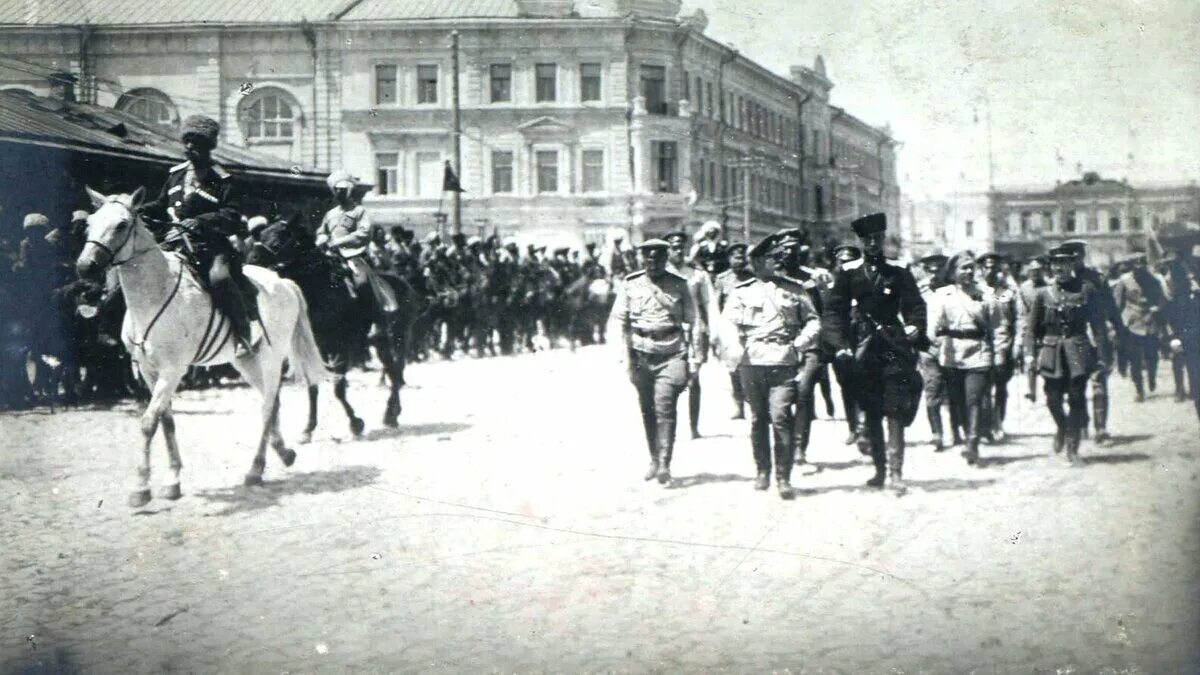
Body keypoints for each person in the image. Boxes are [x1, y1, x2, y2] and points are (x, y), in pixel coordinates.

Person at [824, 214, 926, 489]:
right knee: (871, 411)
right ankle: (880, 470)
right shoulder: (848, 272)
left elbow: (915, 304)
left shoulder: (899, 270)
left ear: (883, 240)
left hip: (893, 346)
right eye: (866, 239)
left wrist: (915, 326)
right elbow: (834, 311)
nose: (872, 243)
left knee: (894, 408)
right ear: (860, 241)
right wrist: (841, 344)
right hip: (862, 348)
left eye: (877, 238)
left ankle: (896, 472)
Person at [140, 114, 256, 355]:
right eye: (188, 142)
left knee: (219, 279)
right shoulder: (175, 174)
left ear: (208, 147)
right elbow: (162, 204)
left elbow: (232, 215)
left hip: (211, 247)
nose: (190, 147)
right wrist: (133, 209)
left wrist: (201, 221)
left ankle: (243, 335)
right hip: (173, 243)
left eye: (197, 143)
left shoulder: (223, 179)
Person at [722, 233, 820, 499]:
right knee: (757, 419)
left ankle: (783, 478)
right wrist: (734, 349)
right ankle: (762, 470)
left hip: (783, 361)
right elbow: (728, 324)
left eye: (777, 257)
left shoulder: (794, 289)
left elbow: (813, 321)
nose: (776, 262)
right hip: (751, 362)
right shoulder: (741, 292)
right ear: (756, 262)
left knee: (781, 418)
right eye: (769, 258)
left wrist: (799, 344)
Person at [607, 239, 701, 485]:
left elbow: (694, 321)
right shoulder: (631, 284)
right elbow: (618, 319)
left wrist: (695, 357)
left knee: (665, 406)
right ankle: (654, 458)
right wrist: (621, 353)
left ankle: (664, 463)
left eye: (658, 258)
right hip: (641, 353)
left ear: (665, 259)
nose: (652, 262)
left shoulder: (679, 285)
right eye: (647, 258)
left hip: (672, 351)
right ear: (641, 259)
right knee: (647, 408)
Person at [1023, 246, 1112, 462]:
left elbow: (1098, 326)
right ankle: (1062, 428)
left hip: (1077, 349)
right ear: (1050, 267)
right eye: (1055, 264)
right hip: (1052, 351)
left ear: (1072, 265)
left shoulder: (1086, 289)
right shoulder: (1043, 294)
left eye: (1064, 263)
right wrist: (1030, 354)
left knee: (1076, 398)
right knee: (1052, 399)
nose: (1059, 268)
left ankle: (1072, 448)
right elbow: (1032, 328)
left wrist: (1103, 356)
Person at [929, 253, 1009, 465]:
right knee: (958, 401)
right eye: (963, 268)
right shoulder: (941, 295)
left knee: (974, 398)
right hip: (952, 354)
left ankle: (972, 441)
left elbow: (999, 326)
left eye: (971, 267)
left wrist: (999, 353)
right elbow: (932, 326)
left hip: (979, 352)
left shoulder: (987, 294)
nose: (968, 272)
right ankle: (967, 435)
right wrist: (931, 344)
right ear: (952, 272)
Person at [1058, 240, 1123, 444]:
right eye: (1071, 256)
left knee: (1099, 383)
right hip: (1073, 341)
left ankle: (1101, 428)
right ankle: (1082, 423)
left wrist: (1118, 330)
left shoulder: (1096, 279)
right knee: (1075, 386)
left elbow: (1111, 308)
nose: (1076, 259)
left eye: (1079, 255)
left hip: (1097, 339)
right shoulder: (1060, 283)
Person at [316, 170, 399, 320]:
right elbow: (322, 231)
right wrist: (321, 238)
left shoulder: (358, 212)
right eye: (337, 190)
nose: (340, 193)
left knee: (362, 284)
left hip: (354, 257)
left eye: (344, 190)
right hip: (332, 257)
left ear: (349, 190)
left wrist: (339, 241)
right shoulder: (330, 214)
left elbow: (363, 233)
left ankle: (375, 320)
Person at [665, 230, 710, 439]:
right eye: (674, 247)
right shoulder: (660, 273)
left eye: (681, 247)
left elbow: (707, 304)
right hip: (667, 331)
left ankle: (694, 426)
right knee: (669, 381)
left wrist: (710, 331)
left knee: (694, 380)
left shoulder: (696, 274)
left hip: (692, 331)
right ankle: (668, 427)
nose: (678, 250)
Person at [1113, 253, 1167, 402]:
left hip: (1150, 322)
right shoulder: (1124, 281)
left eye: (1142, 264)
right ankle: (1139, 390)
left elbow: (1162, 299)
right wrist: (1117, 323)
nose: (1139, 267)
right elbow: (1117, 303)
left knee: (1152, 356)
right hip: (1131, 323)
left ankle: (1152, 377)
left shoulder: (1153, 280)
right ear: (1131, 267)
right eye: (1136, 265)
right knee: (1134, 359)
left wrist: (1155, 309)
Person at [1159, 231, 1200, 421]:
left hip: (1190, 330)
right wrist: (1174, 335)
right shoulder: (1175, 270)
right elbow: (1172, 305)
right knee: (1197, 381)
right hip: (1190, 332)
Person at [827, 244, 864, 446]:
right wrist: (837, 344)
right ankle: (853, 426)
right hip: (841, 343)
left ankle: (865, 426)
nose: (844, 266)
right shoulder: (830, 286)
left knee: (866, 383)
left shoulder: (864, 283)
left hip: (863, 341)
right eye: (841, 262)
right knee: (846, 386)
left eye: (849, 262)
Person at [979, 252, 1018, 441]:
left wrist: (1013, 345)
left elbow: (1013, 319)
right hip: (979, 346)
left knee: (1000, 386)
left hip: (1002, 344)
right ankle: (986, 426)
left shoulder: (1006, 293)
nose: (990, 271)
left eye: (993, 267)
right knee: (983, 388)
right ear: (981, 269)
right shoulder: (976, 291)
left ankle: (999, 423)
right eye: (986, 267)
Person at [916, 253, 952, 450]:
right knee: (932, 393)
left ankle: (959, 431)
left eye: (939, 268)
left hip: (954, 347)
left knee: (955, 393)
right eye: (930, 269)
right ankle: (937, 434)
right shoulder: (918, 291)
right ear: (925, 270)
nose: (934, 272)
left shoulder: (954, 290)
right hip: (928, 348)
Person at [713, 242, 753, 419]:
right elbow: (717, 306)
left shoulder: (753, 277)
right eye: (736, 257)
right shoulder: (722, 279)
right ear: (729, 259)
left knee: (752, 368)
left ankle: (753, 404)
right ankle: (738, 405)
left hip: (750, 327)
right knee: (733, 369)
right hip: (731, 329)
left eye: (742, 257)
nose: (739, 260)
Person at [1016, 256, 1048, 402]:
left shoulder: (1049, 287)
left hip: (1046, 328)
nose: (1035, 273)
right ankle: (1031, 390)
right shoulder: (1024, 288)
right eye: (1032, 271)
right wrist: (1022, 333)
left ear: (1043, 271)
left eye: (1038, 270)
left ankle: (1050, 388)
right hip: (1030, 329)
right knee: (1030, 360)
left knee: (1046, 360)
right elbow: (1021, 312)